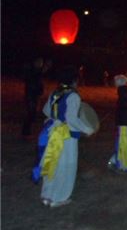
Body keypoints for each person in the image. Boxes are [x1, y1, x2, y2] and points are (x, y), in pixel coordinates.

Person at [32, 66, 94, 207]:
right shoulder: (73, 95)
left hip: (52, 132)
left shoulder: (56, 92)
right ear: (74, 80)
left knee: (52, 162)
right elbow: (71, 118)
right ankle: (59, 197)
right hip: (65, 135)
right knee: (66, 165)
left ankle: (47, 195)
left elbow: (46, 110)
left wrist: (55, 119)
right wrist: (87, 129)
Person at [22, 57, 48, 137]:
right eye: (39, 62)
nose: (40, 64)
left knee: (33, 113)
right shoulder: (32, 72)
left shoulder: (37, 72)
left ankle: (27, 131)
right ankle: (26, 132)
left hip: (35, 95)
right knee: (31, 113)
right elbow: (32, 82)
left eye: (41, 62)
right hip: (31, 95)